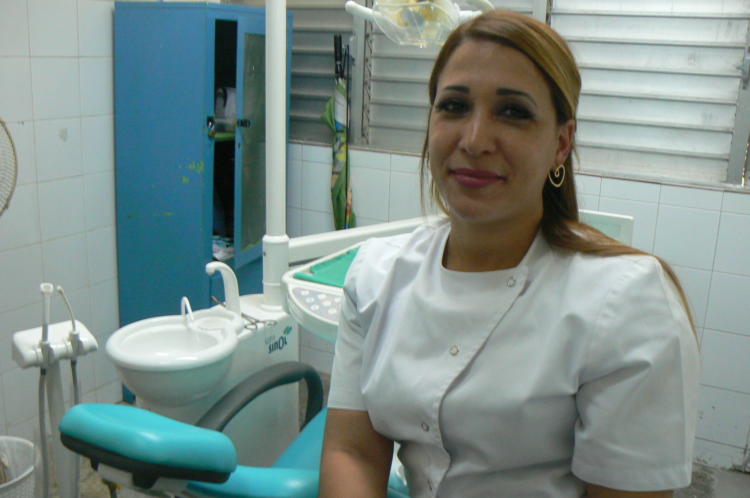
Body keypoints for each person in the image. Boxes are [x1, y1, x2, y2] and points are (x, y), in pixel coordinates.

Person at [319, 9, 700, 498]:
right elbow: (352, 452)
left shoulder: (628, 304)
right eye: (454, 106)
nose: (474, 140)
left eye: (513, 112)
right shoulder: (377, 274)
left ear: (561, 142)